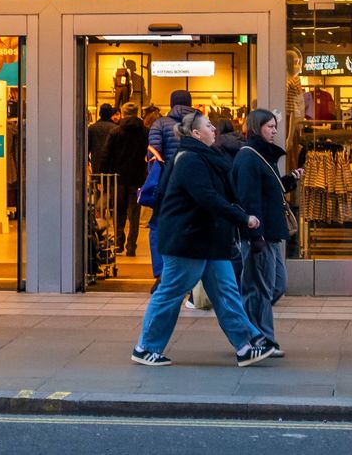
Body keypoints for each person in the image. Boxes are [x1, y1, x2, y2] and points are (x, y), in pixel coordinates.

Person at [131, 110, 272, 368]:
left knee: (226, 292)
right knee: (170, 292)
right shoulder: (190, 160)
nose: (214, 129)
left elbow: (218, 196)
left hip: (207, 240)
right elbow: (207, 197)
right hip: (188, 241)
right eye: (209, 126)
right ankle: (146, 347)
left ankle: (245, 345)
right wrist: (243, 219)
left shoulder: (205, 158)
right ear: (196, 134)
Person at [230, 109, 303, 357]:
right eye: (269, 126)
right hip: (259, 235)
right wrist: (256, 235)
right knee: (259, 288)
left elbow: (269, 190)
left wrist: (290, 180)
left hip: (269, 232)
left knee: (274, 285)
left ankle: (251, 329)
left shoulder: (262, 156)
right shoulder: (249, 157)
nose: (274, 131)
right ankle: (260, 338)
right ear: (256, 127)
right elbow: (250, 199)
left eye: (274, 126)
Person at [144, 90, 196, 289]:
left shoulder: (160, 124)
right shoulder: (199, 123)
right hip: (194, 184)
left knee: (157, 225)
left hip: (167, 185)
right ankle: (189, 276)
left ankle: (161, 273)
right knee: (192, 226)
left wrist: (155, 181)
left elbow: (153, 155)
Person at [103, 102, 146, 257]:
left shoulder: (115, 132)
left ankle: (119, 243)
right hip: (138, 178)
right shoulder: (145, 132)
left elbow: (106, 155)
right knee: (134, 214)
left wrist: (104, 175)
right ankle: (131, 247)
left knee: (118, 211)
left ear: (122, 113)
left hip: (118, 178)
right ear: (137, 112)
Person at [86, 103, 117, 175]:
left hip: (96, 163)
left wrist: (88, 162)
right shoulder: (116, 128)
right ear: (111, 114)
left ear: (100, 113)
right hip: (111, 165)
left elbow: (86, 149)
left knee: (95, 184)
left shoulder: (92, 128)